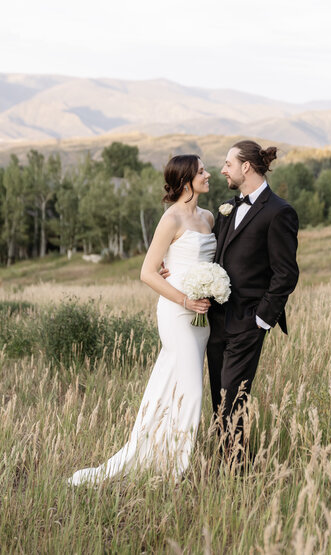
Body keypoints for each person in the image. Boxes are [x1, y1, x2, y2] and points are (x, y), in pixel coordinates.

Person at [68, 155, 215, 485]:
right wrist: (185, 299)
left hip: (203, 317)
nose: (209, 174)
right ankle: (175, 471)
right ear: (187, 180)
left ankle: (156, 454)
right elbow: (148, 272)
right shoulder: (171, 219)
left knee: (171, 385)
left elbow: (200, 262)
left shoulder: (208, 217)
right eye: (202, 171)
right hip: (178, 312)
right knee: (191, 390)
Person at [206, 140, 299, 457]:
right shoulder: (228, 208)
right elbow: (213, 255)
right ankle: (225, 465)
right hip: (215, 320)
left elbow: (285, 273)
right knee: (219, 399)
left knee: (233, 399)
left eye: (228, 164)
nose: (223, 170)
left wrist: (261, 320)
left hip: (247, 323)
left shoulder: (279, 212)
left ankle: (233, 474)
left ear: (246, 167)